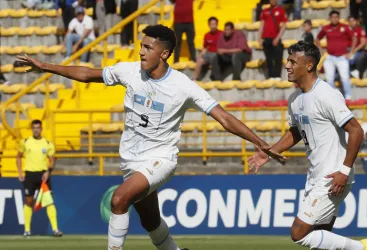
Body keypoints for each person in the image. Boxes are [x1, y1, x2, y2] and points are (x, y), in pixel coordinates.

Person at [16, 24, 286, 250]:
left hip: (160, 159)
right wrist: (46, 66)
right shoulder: (129, 71)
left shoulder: (182, 86)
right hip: (130, 161)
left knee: (119, 200)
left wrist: (260, 142)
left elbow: (224, 118)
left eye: (148, 47)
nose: (141, 51)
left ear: (164, 53)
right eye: (142, 46)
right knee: (150, 222)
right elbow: (87, 75)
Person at [248, 41, 367, 250]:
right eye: (287, 61)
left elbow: (356, 130)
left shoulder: (327, 95)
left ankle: (363, 248)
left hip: (333, 176)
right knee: (322, 237)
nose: (287, 66)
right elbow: (296, 132)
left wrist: (344, 170)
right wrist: (270, 153)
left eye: (292, 61)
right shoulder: (295, 99)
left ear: (309, 65)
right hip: (315, 176)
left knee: (298, 233)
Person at [16, 120, 63, 237]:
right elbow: (18, 157)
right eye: (34, 128)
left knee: (49, 202)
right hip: (30, 175)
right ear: (32, 129)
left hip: (43, 175)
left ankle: (55, 229)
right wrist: (20, 172)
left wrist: (48, 172)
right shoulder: (25, 142)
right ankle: (27, 230)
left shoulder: (47, 143)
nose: (36, 130)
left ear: (41, 129)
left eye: (38, 128)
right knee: (29, 202)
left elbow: (52, 160)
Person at [316, 11, 355, 100]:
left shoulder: (344, 27)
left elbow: (354, 38)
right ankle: (333, 98)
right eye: (333, 17)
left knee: (345, 77)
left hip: (342, 57)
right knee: (330, 78)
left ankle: (348, 97)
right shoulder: (326, 28)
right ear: (330, 18)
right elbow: (318, 39)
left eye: (336, 17)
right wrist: (322, 51)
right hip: (329, 57)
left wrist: (351, 52)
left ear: (339, 17)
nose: (335, 19)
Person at [258, 0, 288, 80]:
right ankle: (271, 76)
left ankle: (277, 76)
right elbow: (261, 25)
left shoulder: (281, 10)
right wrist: (259, 38)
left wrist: (277, 38)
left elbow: (284, 25)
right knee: (269, 58)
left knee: (278, 57)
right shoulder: (265, 11)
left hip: (276, 38)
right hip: (266, 38)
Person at [192, 16, 222, 81]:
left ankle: (215, 78)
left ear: (217, 24)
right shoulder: (207, 35)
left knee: (214, 58)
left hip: (217, 54)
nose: (213, 26)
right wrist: (199, 56)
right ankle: (194, 79)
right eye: (211, 24)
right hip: (209, 54)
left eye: (214, 24)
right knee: (200, 60)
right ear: (209, 25)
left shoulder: (221, 34)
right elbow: (205, 48)